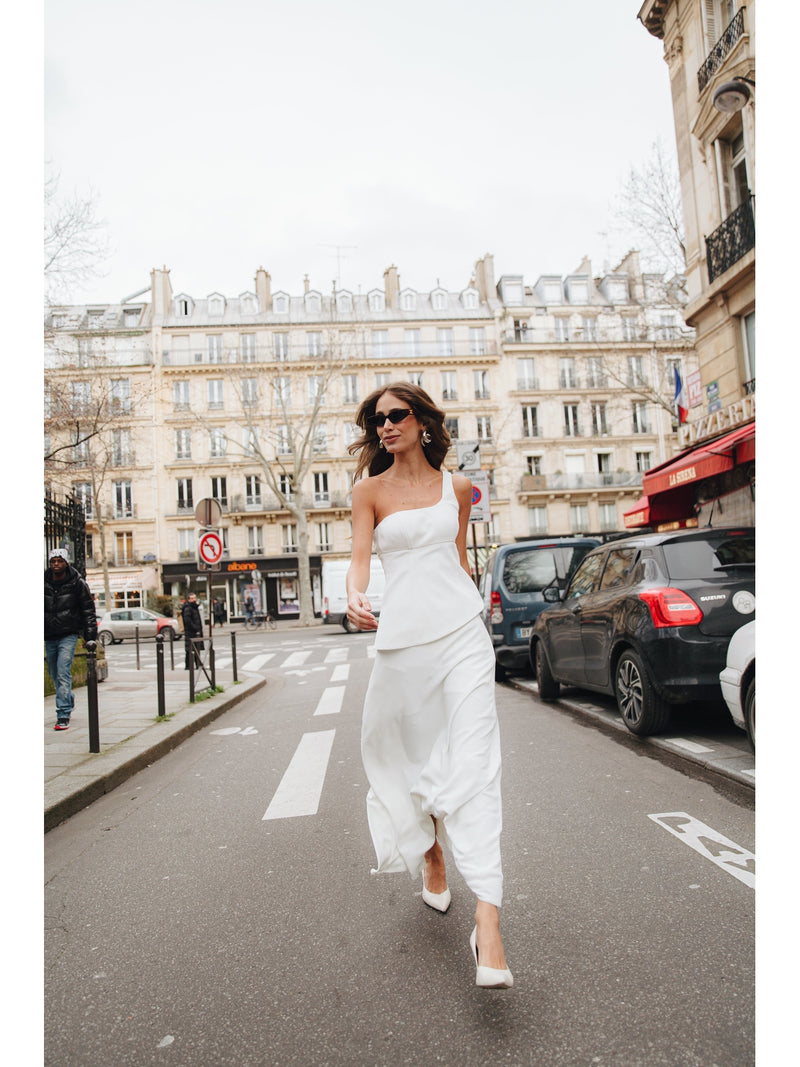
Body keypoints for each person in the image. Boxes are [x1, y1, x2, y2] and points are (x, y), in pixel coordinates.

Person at [346, 382, 513, 989]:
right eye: (376, 419)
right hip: (403, 642)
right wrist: (354, 596)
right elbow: (362, 560)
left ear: (422, 422)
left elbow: (460, 563)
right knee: (408, 757)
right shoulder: (369, 491)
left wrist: (482, 607)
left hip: (463, 634)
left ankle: (488, 921)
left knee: (476, 760)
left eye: (396, 415)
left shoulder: (459, 488)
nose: (385, 425)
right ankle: (431, 850)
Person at [44, 548, 97, 731]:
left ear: (66, 563)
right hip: (49, 635)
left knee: (62, 671)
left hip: (69, 633)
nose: (56, 564)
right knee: (53, 673)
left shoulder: (77, 583)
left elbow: (88, 610)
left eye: (59, 561)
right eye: (53, 561)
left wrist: (89, 637)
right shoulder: (42, 582)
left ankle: (63, 713)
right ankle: (69, 699)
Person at [181, 592, 204, 670]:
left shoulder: (194, 607)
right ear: (189, 599)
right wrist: (195, 628)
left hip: (195, 632)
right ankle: (188, 666)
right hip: (191, 632)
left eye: (195, 598)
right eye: (192, 598)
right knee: (190, 649)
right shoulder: (188, 608)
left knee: (195, 649)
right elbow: (187, 621)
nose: (194, 599)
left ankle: (197, 665)